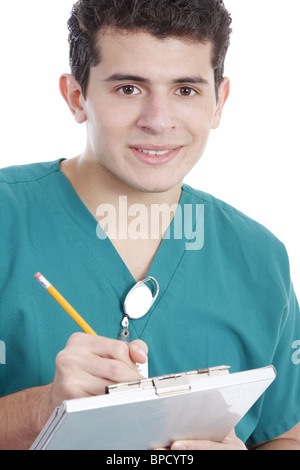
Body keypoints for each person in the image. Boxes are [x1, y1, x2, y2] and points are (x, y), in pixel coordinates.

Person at [0, 0, 299, 450]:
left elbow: (286, 432)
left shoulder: (259, 258)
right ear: (76, 97)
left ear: (219, 102)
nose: (158, 121)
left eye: (185, 90)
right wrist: (44, 410)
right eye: (129, 89)